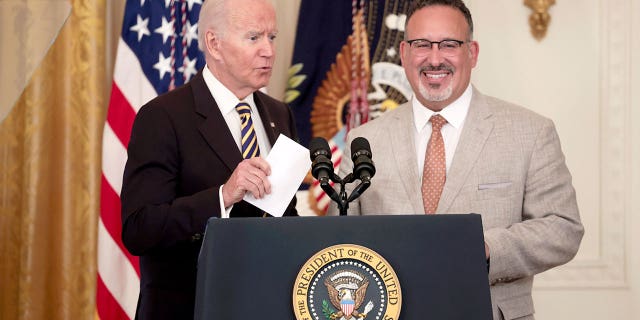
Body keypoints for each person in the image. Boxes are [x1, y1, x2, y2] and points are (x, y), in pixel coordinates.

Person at [329, 1, 584, 319]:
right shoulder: (363, 141)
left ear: (472, 53)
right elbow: (339, 239)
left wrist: (488, 248)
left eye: (449, 44)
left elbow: (563, 228)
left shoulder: (531, 131)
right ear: (405, 53)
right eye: (422, 45)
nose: (434, 59)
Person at [120, 0, 298, 318]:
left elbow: (283, 214)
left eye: (272, 37)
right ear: (214, 44)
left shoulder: (278, 114)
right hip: (190, 308)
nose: (269, 51)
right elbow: (139, 229)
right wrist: (223, 196)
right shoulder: (163, 117)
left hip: (265, 305)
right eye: (254, 37)